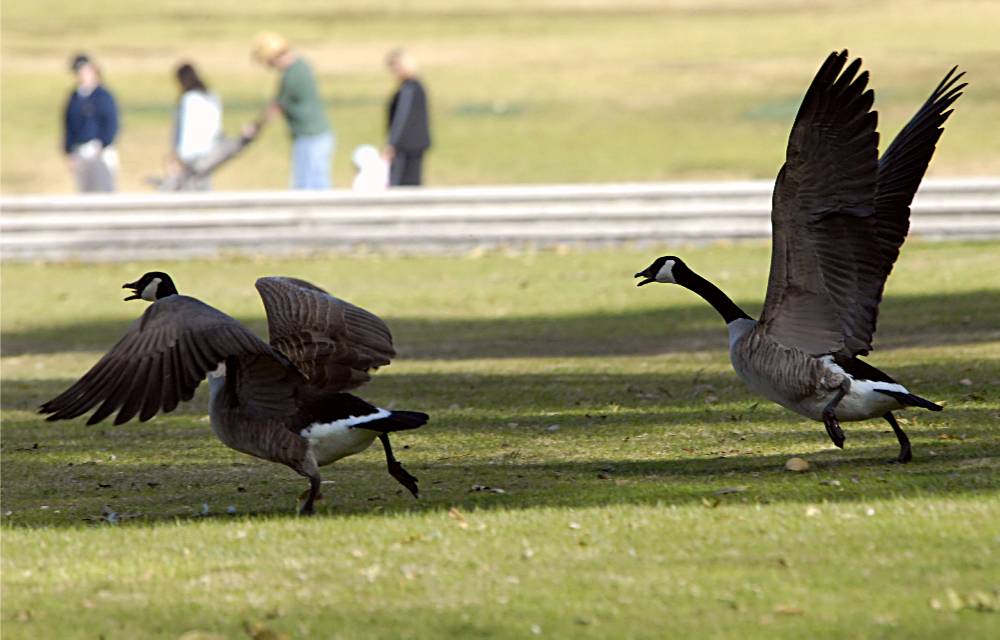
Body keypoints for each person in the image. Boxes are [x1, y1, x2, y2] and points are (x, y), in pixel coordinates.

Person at [251, 33, 333, 190]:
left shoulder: (293, 74)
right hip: (310, 136)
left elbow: (276, 107)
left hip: (312, 137)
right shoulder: (300, 65)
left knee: (311, 186)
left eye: (269, 62)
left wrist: (255, 127)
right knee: (308, 184)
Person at [63, 53, 119, 192]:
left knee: (105, 189)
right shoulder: (75, 97)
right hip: (80, 149)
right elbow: (69, 125)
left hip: (99, 149)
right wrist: (69, 150)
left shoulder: (103, 96)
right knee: (84, 192)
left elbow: (111, 122)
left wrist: (104, 143)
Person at [170, 62, 223, 190]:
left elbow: (184, 129)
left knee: (187, 191)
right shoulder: (211, 97)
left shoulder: (188, 99)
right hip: (210, 151)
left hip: (190, 154)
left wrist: (177, 155)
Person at [384, 49, 431, 187]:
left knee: (401, 184)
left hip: (405, 146)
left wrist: (392, 144)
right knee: (413, 183)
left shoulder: (408, 88)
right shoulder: (417, 86)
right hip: (416, 144)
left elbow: (402, 117)